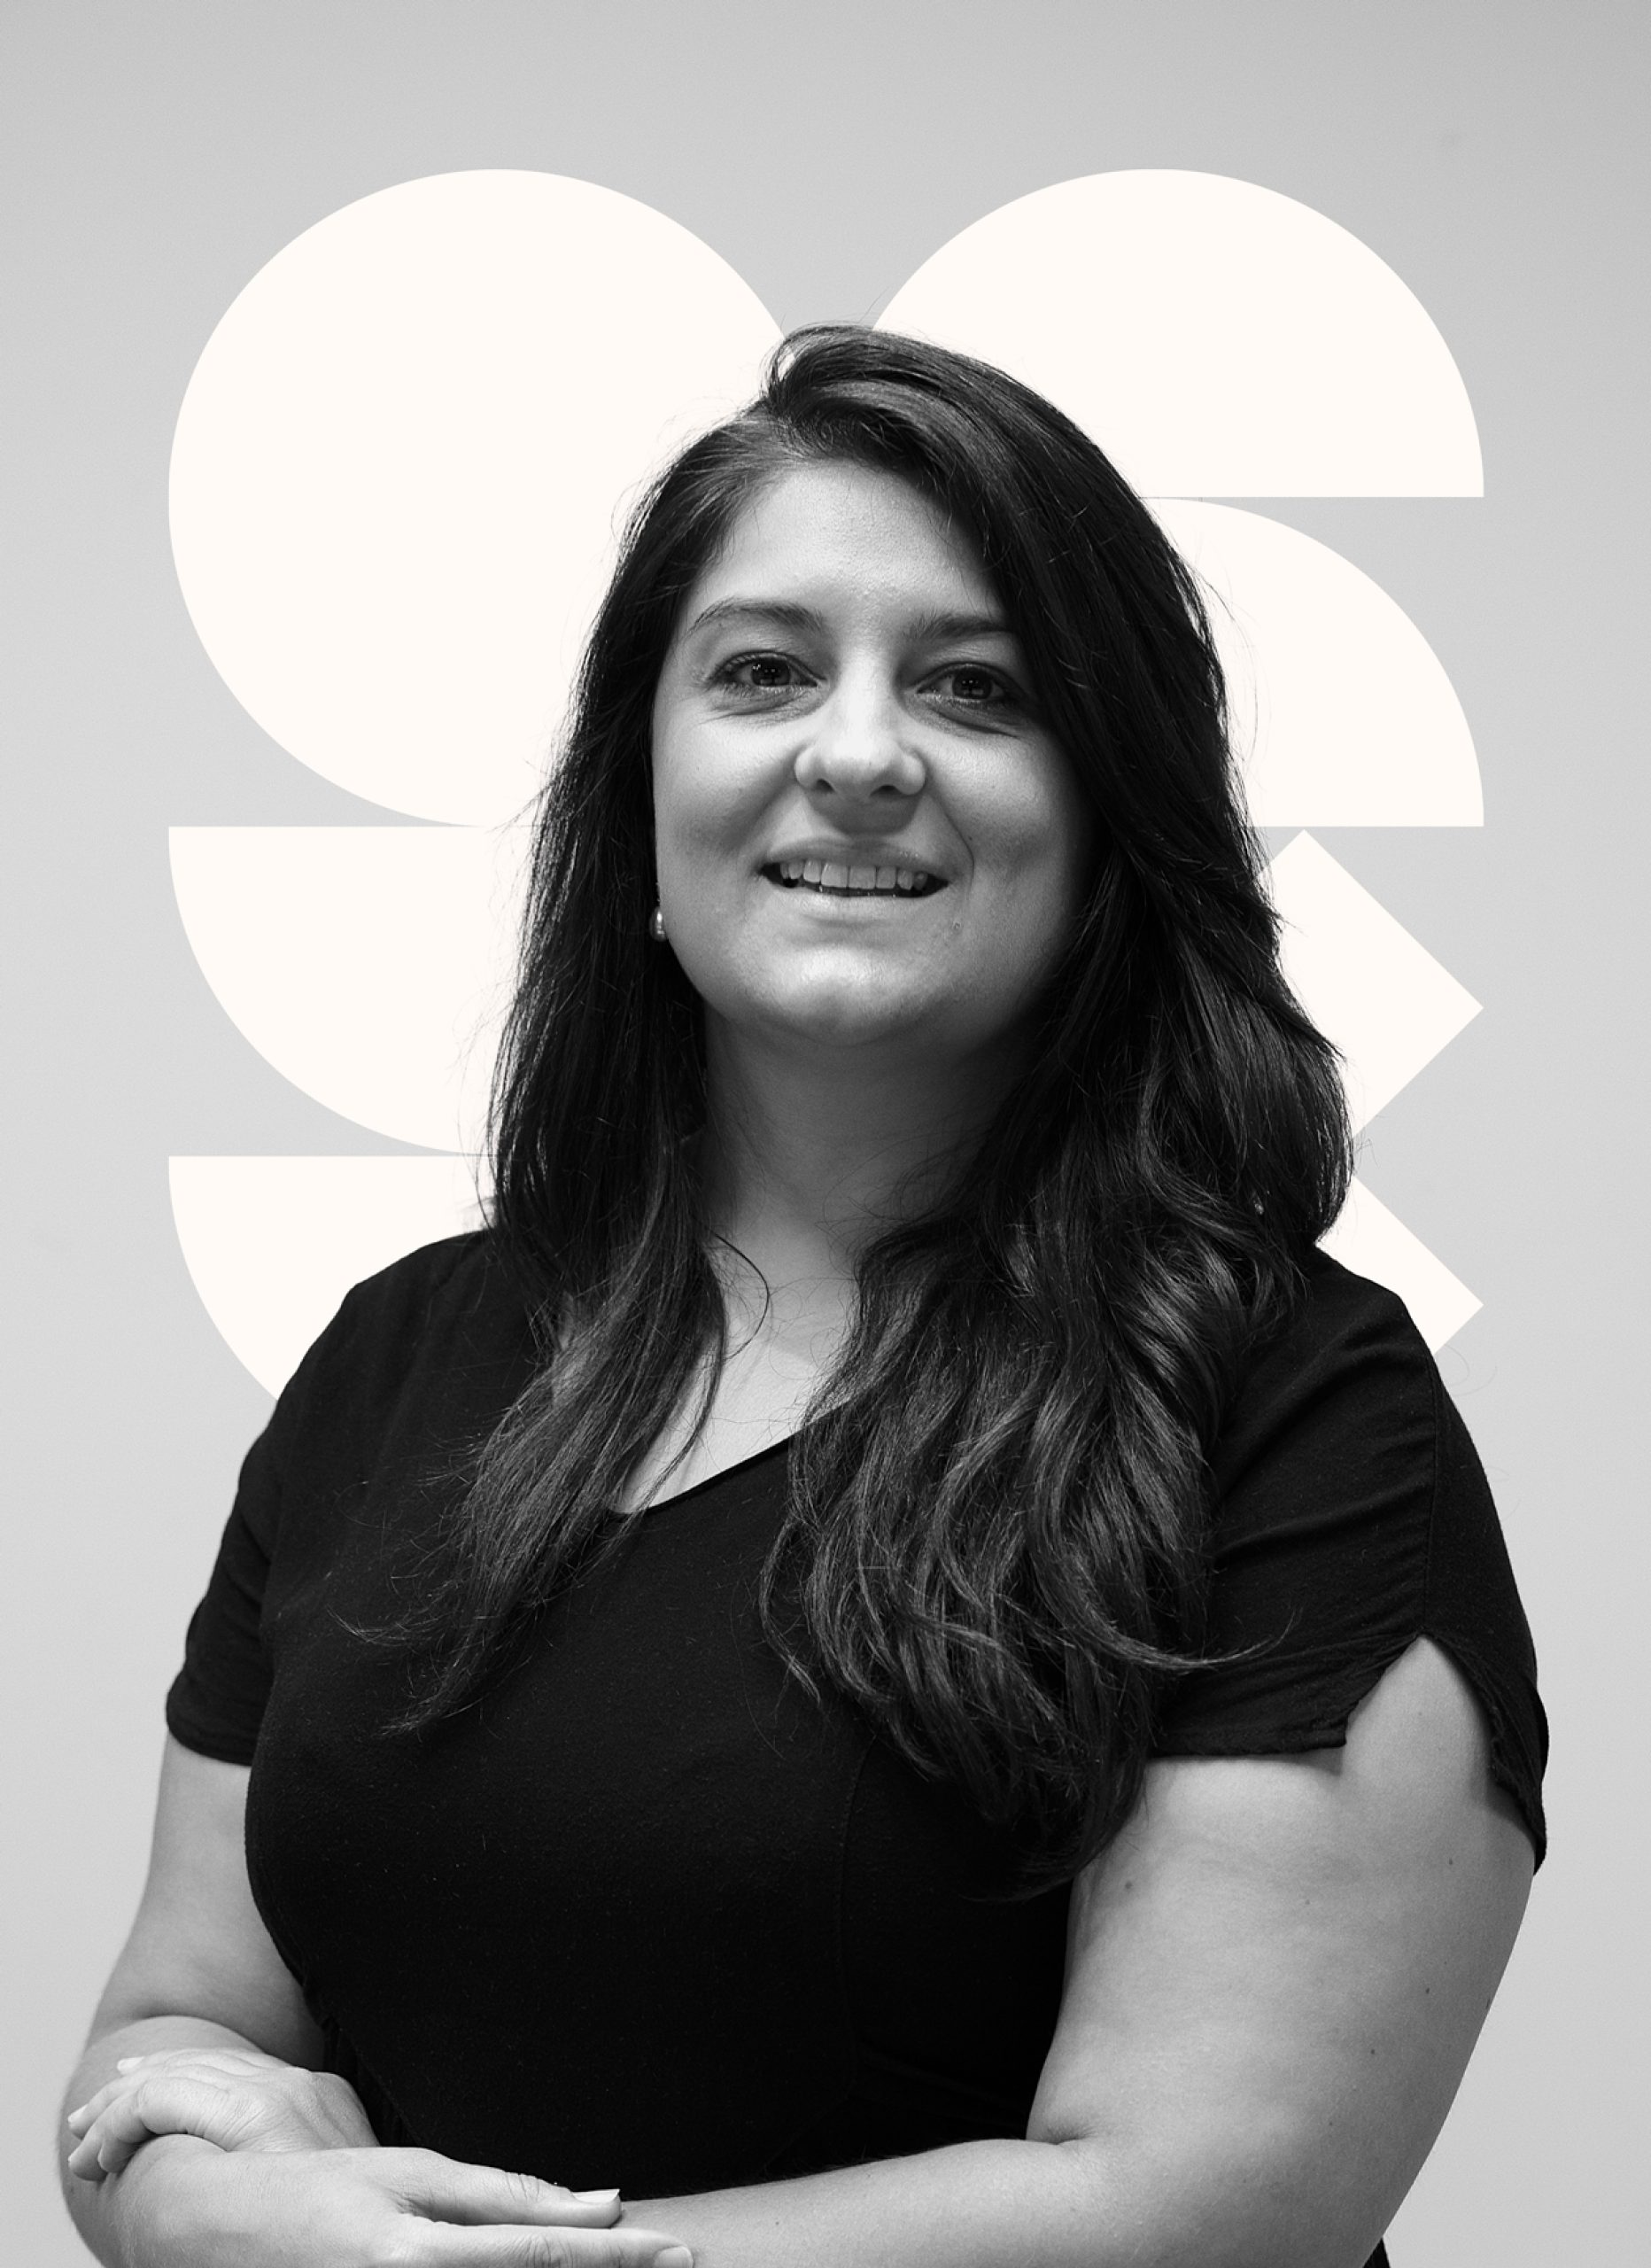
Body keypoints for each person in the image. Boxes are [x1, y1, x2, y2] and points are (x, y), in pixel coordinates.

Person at [58, 326, 1545, 2268]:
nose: (854, 752)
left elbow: (1203, 2203)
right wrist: (199, 2206)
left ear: (1108, 827)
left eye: (973, 684)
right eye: (761, 670)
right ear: (643, 811)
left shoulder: (1290, 1409)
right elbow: (172, 2034)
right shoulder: (398, 1357)